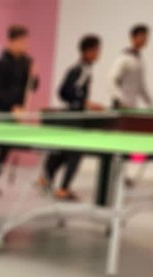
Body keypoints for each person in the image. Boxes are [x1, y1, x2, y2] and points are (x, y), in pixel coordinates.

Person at [41, 34, 104, 201]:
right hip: (72, 118)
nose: (98, 54)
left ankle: (45, 178)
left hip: (74, 116)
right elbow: (64, 91)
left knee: (62, 151)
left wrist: (85, 103)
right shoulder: (80, 69)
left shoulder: (85, 68)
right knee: (75, 153)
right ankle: (62, 188)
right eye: (97, 50)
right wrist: (84, 102)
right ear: (88, 51)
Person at [0, 25, 39, 194]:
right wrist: (11, 106)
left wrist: (35, 76)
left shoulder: (27, 62)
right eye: (22, 42)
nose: (25, 45)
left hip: (18, 110)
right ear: (12, 41)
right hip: (2, 109)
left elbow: (32, 87)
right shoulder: (1, 63)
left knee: (6, 147)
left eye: (26, 41)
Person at [109, 24, 153, 109]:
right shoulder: (123, 58)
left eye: (146, 37)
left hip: (132, 106)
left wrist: (150, 104)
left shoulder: (139, 60)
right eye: (141, 36)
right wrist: (119, 99)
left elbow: (141, 85)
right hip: (121, 107)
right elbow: (111, 80)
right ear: (132, 37)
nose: (144, 39)